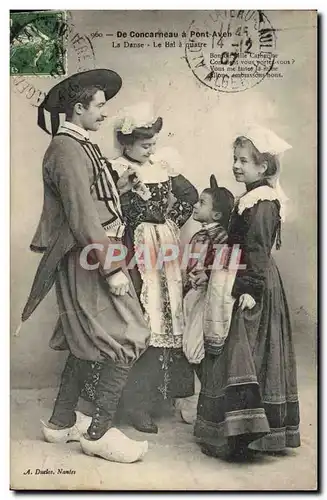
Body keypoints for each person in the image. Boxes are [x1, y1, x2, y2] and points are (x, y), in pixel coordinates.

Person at [21, 70, 151, 463]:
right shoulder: (66, 149)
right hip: (89, 255)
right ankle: (98, 433)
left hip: (92, 250)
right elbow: (79, 215)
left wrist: (121, 189)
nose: (105, 113)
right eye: (99, 106)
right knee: (128, 333)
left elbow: (89, 199)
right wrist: (112, 268)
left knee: (87, 339)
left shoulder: (78, 144)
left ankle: (61, 422)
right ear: (78, 109)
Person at [194, 125, 301, 460]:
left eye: (243, 160)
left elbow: (257, 248)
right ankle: (233, 432)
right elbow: (242, 241)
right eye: (235, 159)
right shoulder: (250, 198)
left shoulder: (264, 201)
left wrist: (250, 289)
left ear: (263, 167)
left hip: (252, 283)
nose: (236, 166)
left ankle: (243, 436)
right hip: (239, 275)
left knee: (244, 351)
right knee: (234, 350)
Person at [110, 103, 199, 433]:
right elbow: (107, 209)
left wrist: (172, 223)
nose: (152, 149)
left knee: (169, 316)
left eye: (153, 143)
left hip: (164, 247)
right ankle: (135, 404)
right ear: (127, 143)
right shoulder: (116, 169)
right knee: (141, 319)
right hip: (135, 247)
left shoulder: (163, 165)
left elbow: (189, 195)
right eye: (145, 144)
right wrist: (134, 224)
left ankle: (167, 397)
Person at [179, 175, 234, 424]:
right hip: (193, 295)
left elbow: (223, 266)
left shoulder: (221, 237)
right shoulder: (199, 236)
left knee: (198, 347)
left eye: (202, 203)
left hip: (207, 298)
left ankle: (206, 402)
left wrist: (206, 275)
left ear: (217, 215)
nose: (195, 206)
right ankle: (196, 400)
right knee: (189, 346)